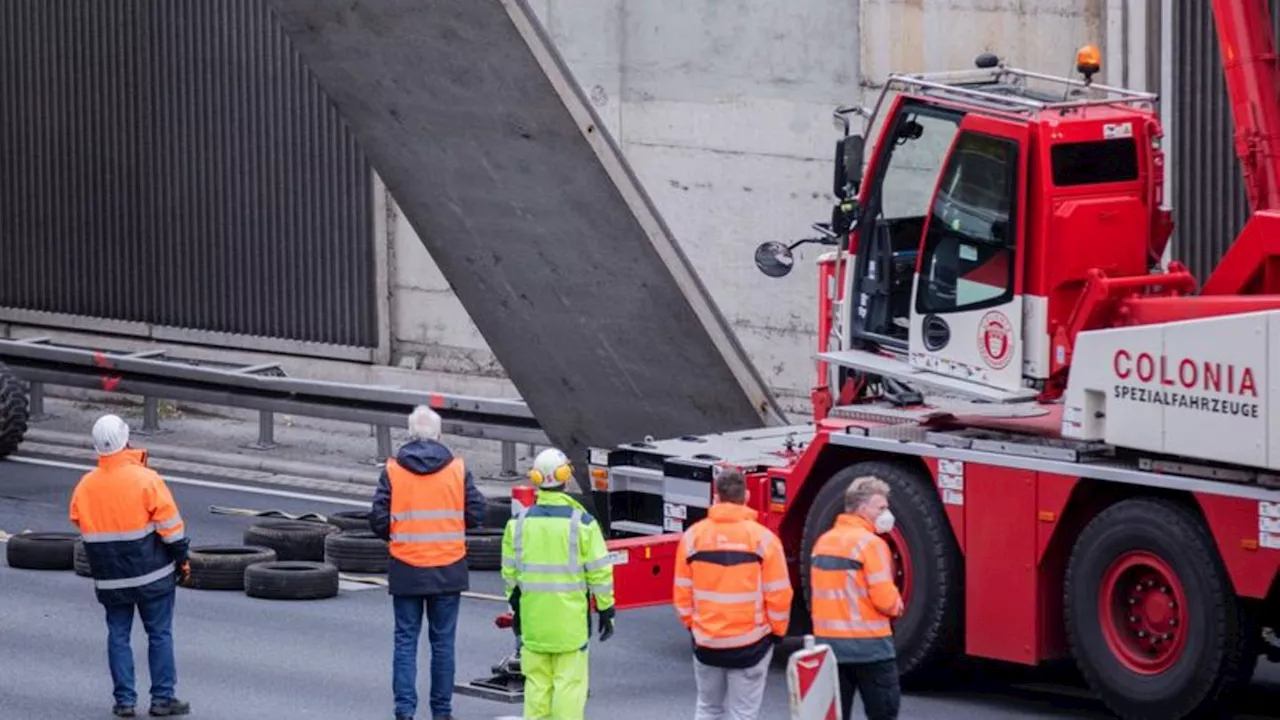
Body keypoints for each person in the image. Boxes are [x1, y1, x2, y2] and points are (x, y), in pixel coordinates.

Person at [68, 414, 192, 718]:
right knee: (159, 633)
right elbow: (172, 529)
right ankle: (162, 699)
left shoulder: (85, 487)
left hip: (111, 578)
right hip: (153, 573)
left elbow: (79, 521)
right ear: (127, 441)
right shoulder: (146, 479)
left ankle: (124, 701)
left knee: (118, 635)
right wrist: (182, 560)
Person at [370, 405, 487, 720]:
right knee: (443, 644)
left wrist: (402, 535)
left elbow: (378, 520)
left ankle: (405, 712)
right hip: (448, 568)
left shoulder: (393, 470)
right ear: (439, 435)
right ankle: (442, 712)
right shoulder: (457, 470)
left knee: (405, 642)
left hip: (406, 567)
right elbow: (477, 513)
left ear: (409, 435)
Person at [501, 447, 615, 720]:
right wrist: (606, 610)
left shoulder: (517, 525)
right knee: (569, 686)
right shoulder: (583, 524)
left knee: (537, 686)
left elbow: (510, 576)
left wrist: (516, 609)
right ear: (565, 478)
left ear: (536, 479)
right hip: (570, 626)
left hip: (534, 623)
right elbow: (600, 574)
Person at [673, 467, 793, 720]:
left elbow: (682, 591)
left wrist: (693, 626)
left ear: (715, 497)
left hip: (707, 640)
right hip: (751, 644)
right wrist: (777, 632)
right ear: (747, 497)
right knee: (743, 714)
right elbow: (780, 594)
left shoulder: (693, 537)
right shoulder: (765, 540)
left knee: (708, 707)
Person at [810, 476, 905, 720]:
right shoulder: (871, 545)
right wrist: (897, 605)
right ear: (863, 510)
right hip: (871, 650)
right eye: (881, 508)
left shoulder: (823, 542)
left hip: (830, 649)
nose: (887, 513)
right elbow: (885, 599)